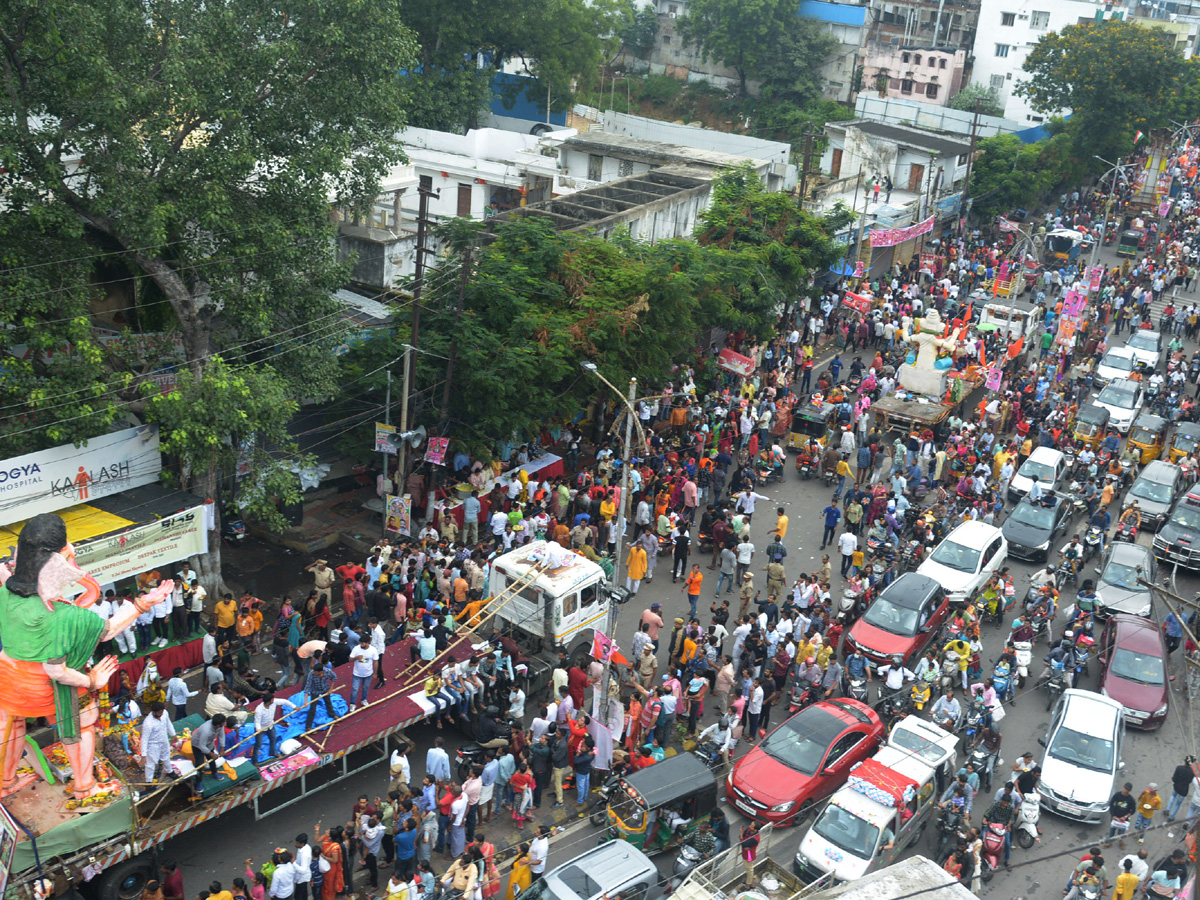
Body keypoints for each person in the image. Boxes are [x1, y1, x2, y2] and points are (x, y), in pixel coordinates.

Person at [982, 793, 1015, 867]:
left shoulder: (1010, 808)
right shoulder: (995, 805)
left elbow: (1011, 818)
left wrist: (1009, 825)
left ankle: (1007, 860)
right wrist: (984, 819)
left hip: (1003, 827)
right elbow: (987, 812)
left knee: (1007, 843)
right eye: (1004, 802)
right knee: (981, 836)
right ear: (1001, 800)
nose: (1005, 804)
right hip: (993, 824)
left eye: (1007, 803)